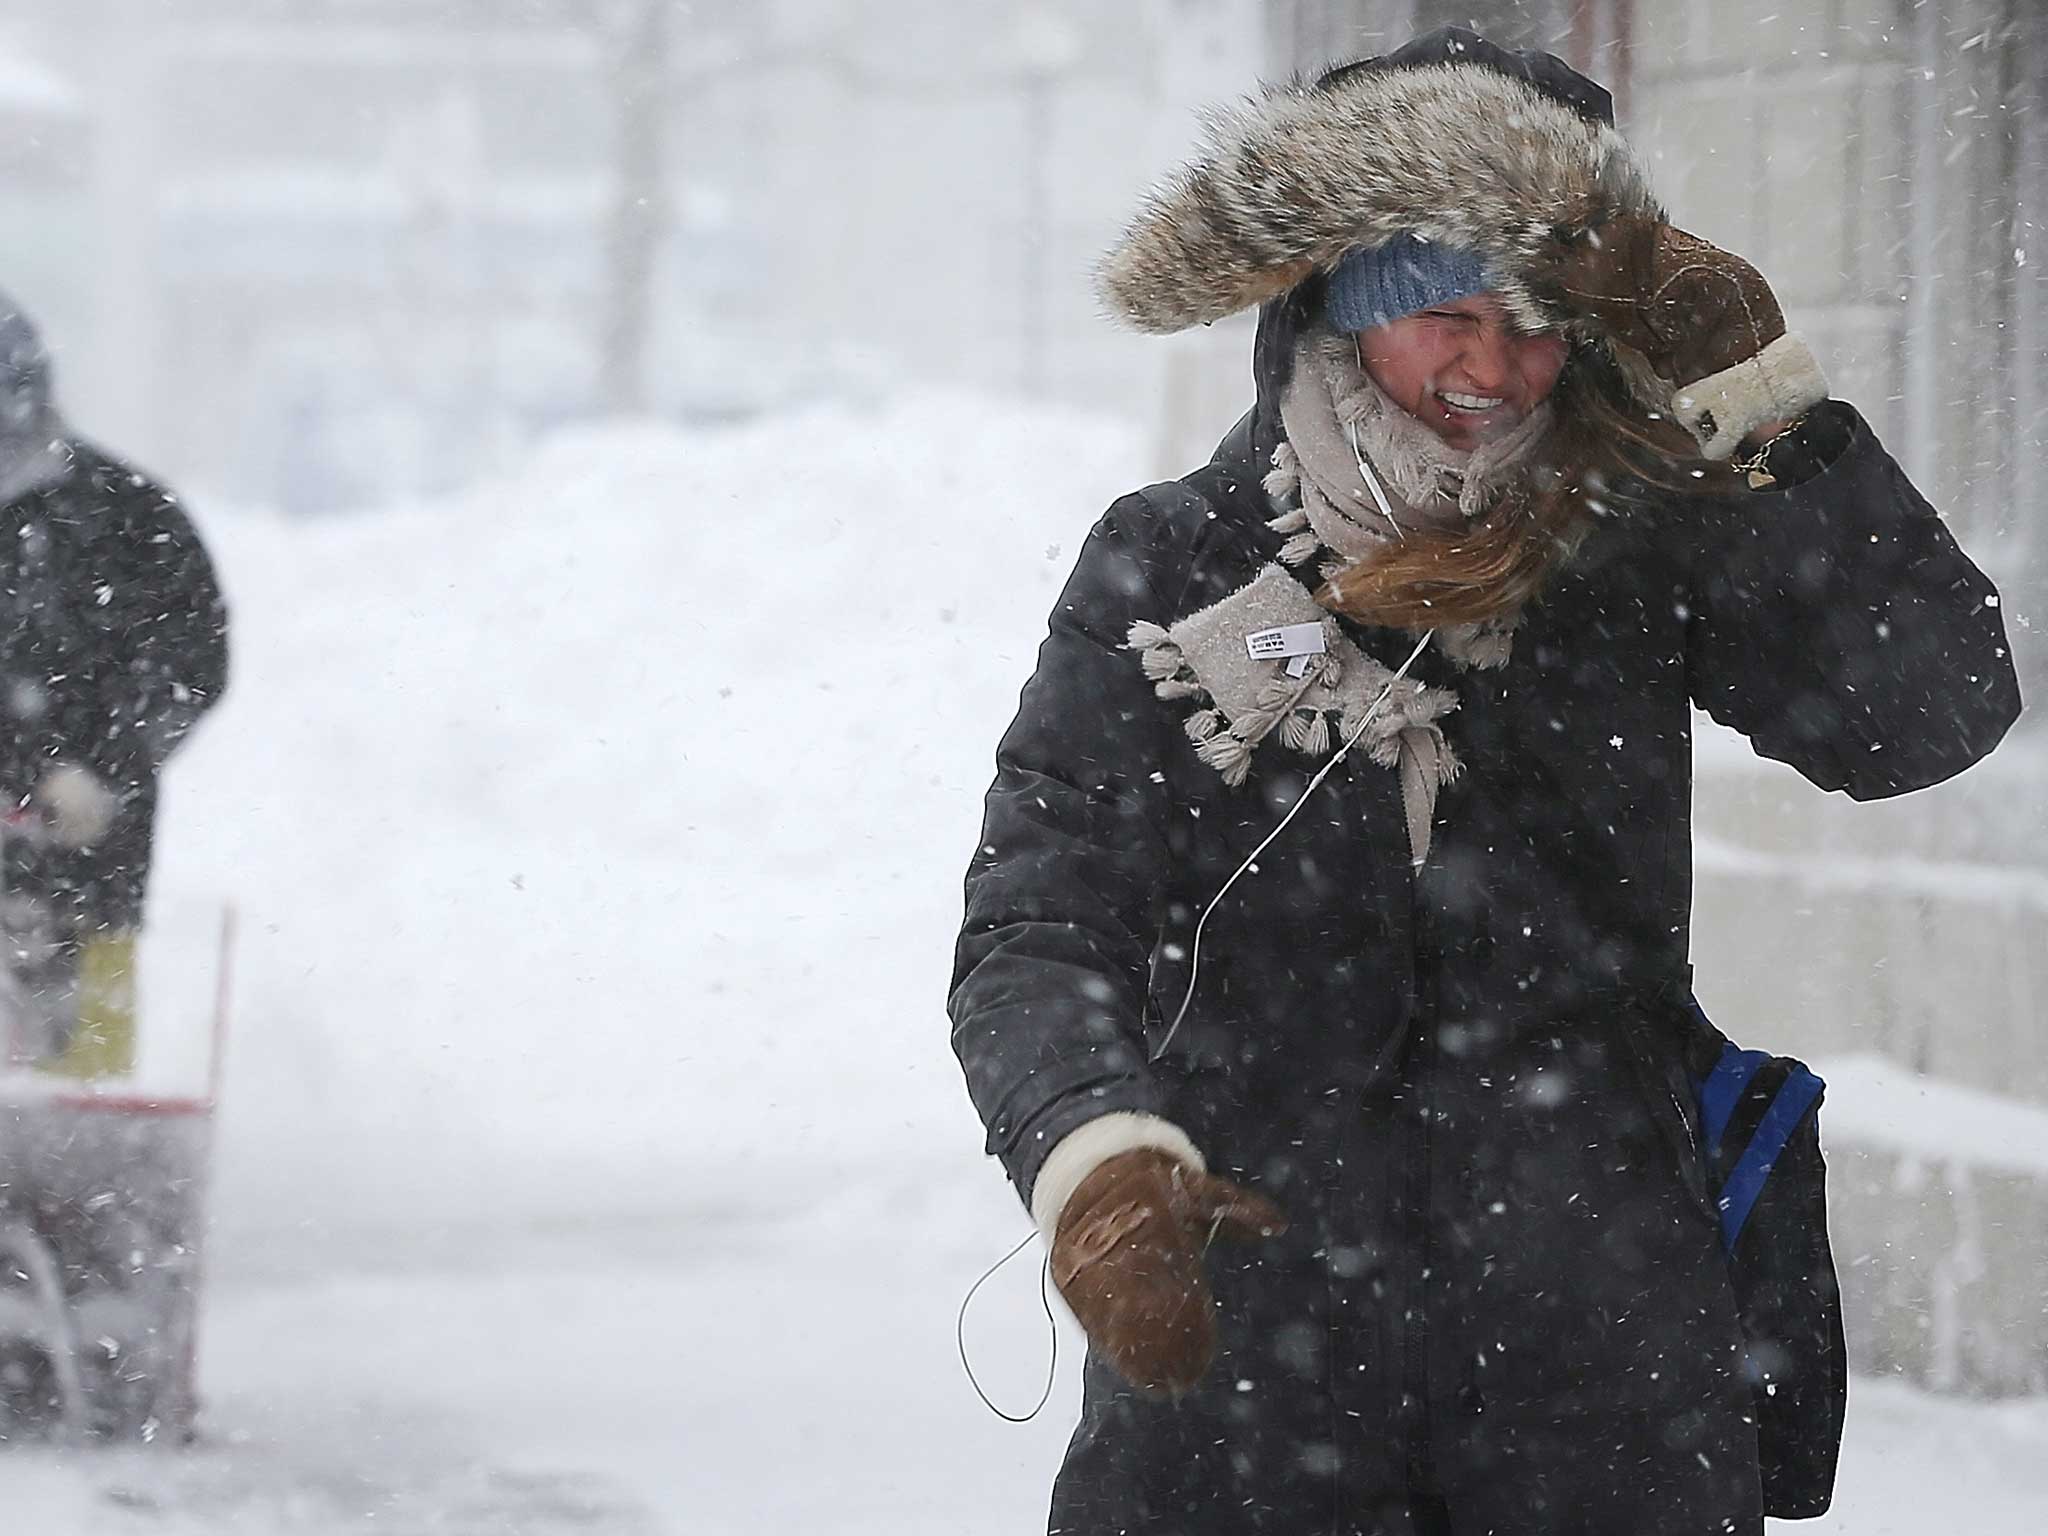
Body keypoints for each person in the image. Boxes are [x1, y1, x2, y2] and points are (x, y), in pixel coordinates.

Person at [947, 28, 2020, 1536]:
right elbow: (1042, 921)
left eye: (1534, 325)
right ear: (1339, 301)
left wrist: (1766, 403)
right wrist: (1094, 1155)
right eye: (1444, 314)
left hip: (1600, 1376)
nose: (1493, 369)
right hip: (1254, 1370)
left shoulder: (1640, 543)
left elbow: (1928, 714)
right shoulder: (1176, 556)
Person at [0, 288, 228, 1075]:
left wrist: (105, 766)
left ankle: (81, 1165)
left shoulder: (127, 519)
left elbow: (191, 661)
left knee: (84, 1064)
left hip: (92, 857)